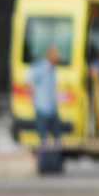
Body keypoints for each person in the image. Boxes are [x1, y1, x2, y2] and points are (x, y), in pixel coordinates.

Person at [30, 43, 63, 175]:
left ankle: (55, 166)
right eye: (55, 53)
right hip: (42, 108)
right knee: (43, 140)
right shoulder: (40, 67)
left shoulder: (52, 68)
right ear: (49, 54)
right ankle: (43, 167)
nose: (57, 56)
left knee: (56, 139)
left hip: (52, 108)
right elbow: (29, 80)